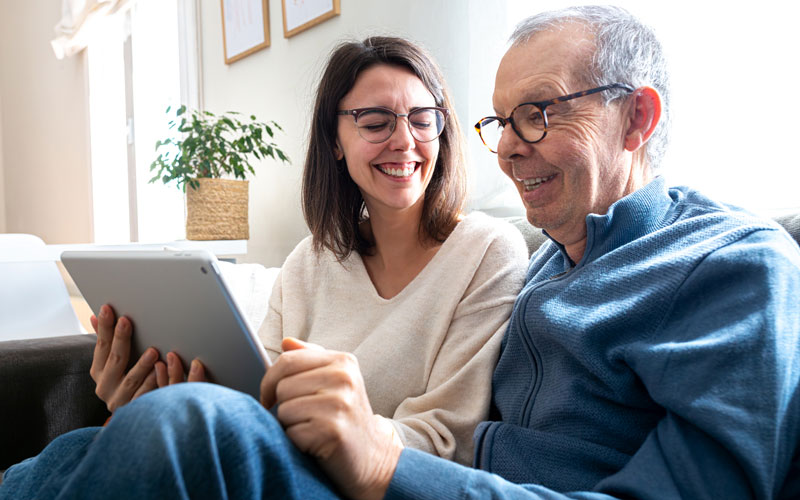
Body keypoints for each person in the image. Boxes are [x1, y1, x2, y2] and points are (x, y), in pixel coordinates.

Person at [3, 5, 800, 500]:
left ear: (638, 119)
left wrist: (387, 463)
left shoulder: (735, 264)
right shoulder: (553, 262)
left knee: (194, 427)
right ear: (336, 141)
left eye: (539, 113)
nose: (509, 151)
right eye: (500, 123)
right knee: (111, 435)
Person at [255, 36, 528, 465]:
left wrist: (348, 430)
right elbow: (254, 396)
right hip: (274, 459)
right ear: (334, 142)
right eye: (376, 121)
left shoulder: (488, 251)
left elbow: (448, 439)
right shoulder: (307, 263)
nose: (404, 140)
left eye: (422, 119)